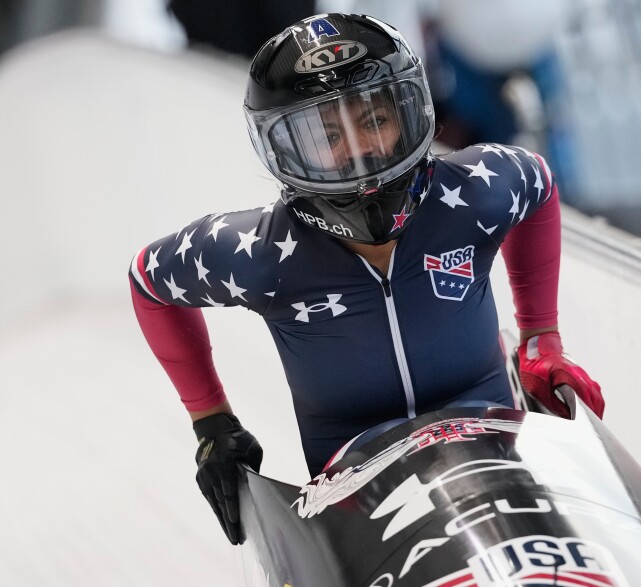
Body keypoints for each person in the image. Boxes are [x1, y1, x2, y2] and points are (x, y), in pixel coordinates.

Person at [129, 13, 603, 545]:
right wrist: (212, 425)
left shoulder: (474, 193)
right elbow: (150, 282)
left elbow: (537, 183)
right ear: (283, 149)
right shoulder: (260, 255)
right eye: (326, 134)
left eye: (375, 120)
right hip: (361, 501)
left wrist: (541, 339)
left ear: (410, 112)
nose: (357, 151)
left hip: (500, 460)